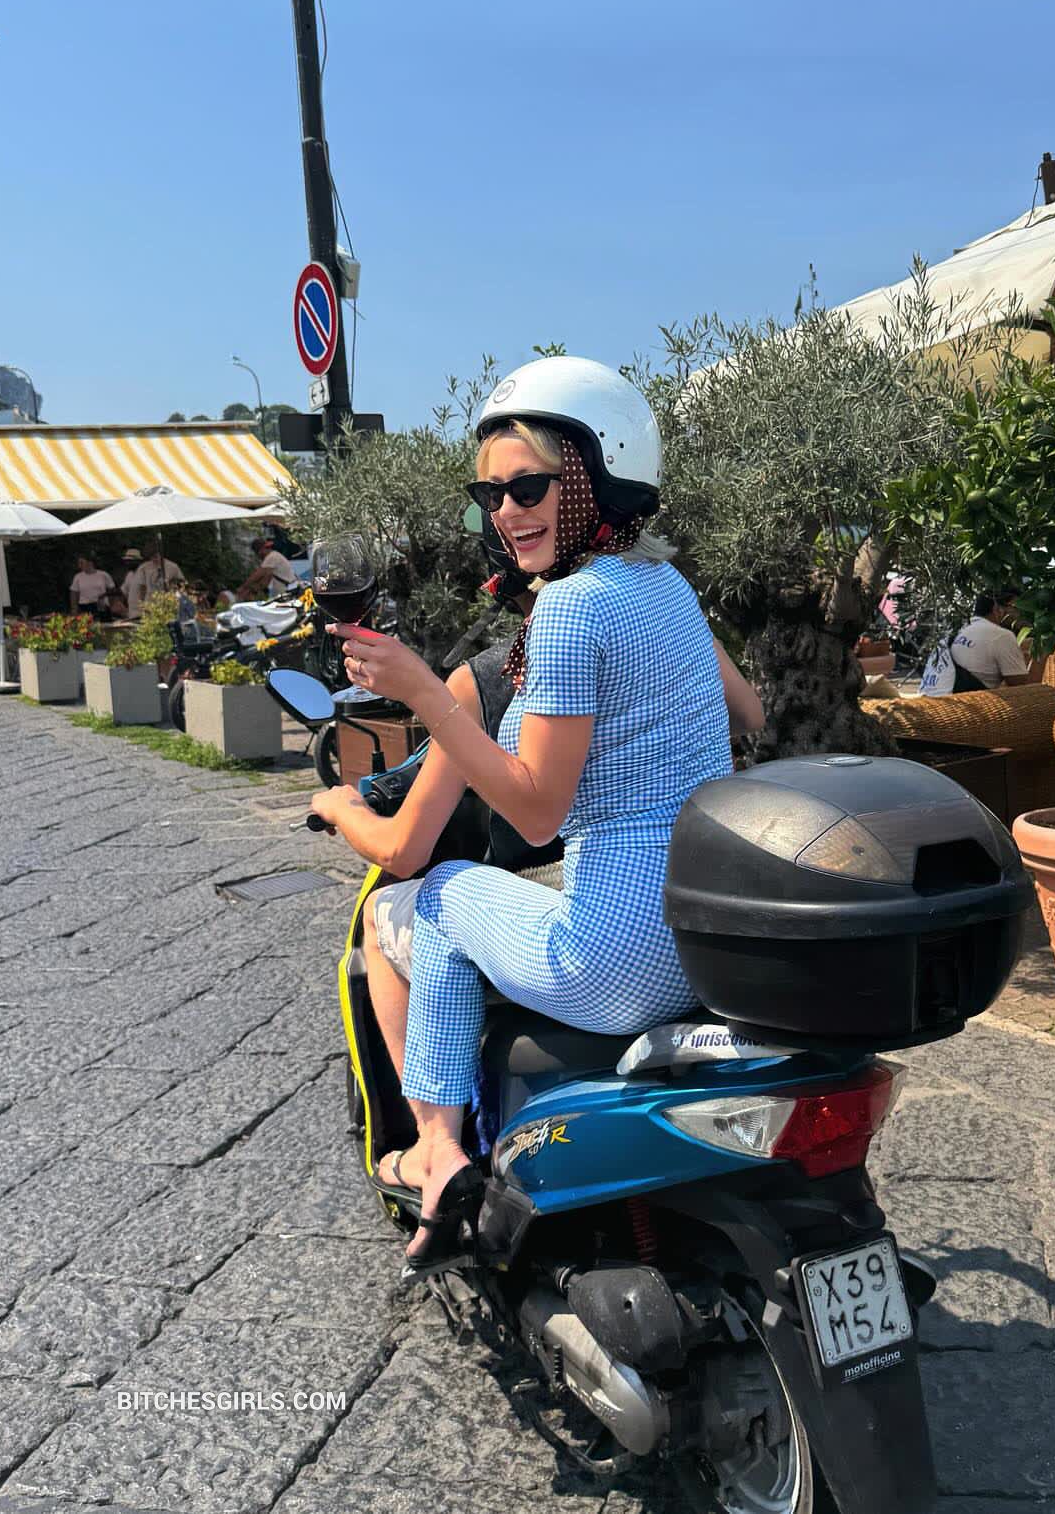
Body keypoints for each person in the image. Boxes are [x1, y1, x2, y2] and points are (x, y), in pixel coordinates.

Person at [315, 356, 761, 1272]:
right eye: (490, 495)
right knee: (457, 895)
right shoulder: (665, 586)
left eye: (528, 487)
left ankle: (436, 1150)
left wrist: (423, 697)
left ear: (596, 478)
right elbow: (747, 712)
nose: (505, 513)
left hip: (614, 958)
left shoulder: (570, 610)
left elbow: (535, 810)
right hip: (702, 932)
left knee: (425, 898)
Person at [948, 592, 1029, 689]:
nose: (1020, 614)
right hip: (974, 696)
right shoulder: (1002, 636)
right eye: (1016, 607)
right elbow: (1020, 685)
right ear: (997, 609)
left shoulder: (962, 628)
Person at [127, 540, 185, 613]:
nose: (154, 559)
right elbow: (142, 588)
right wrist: (143, 604)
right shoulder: (144, 567)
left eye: (155, 556)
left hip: (167, 605)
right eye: (151, 557)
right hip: (150, 606)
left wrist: (178, 600)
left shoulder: (172, 567)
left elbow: (181, 585)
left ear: (161, 554)